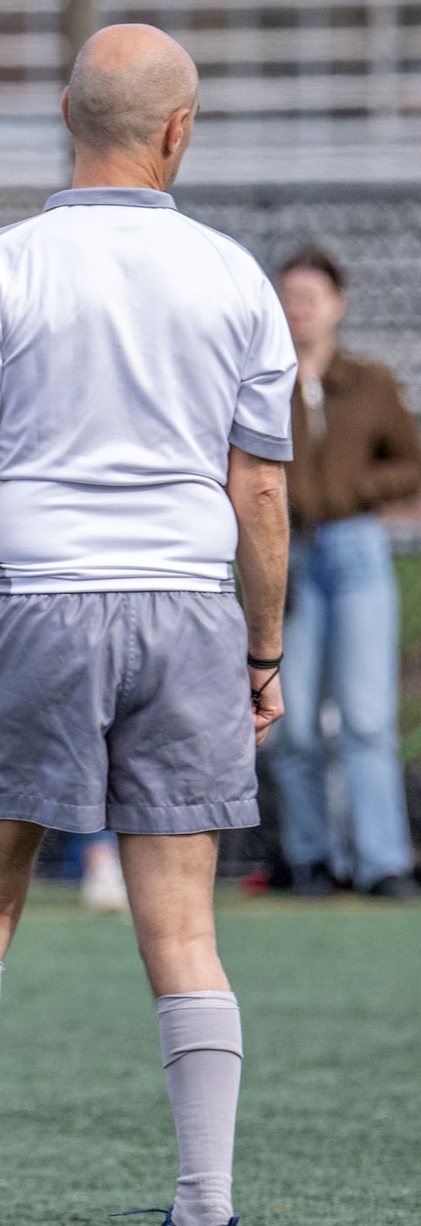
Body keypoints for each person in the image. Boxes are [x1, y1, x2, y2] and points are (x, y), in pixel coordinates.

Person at [0, 25, 291, 1226]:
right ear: (179, 130)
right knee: (179, 921)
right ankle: (203, 1223)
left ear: (62, 112)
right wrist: (261, 651)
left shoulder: (3, 265)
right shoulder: (232, 275)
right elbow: (257, 488)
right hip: (187, 611)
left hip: (32, 602)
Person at [264, 245, 421, 898]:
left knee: (366, 717)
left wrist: (358, 486)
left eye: (310, 297)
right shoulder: (260, 378)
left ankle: (383, 859)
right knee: (294, 719)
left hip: (356, 551)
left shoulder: (370, 380)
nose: (299, 309)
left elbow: (411, 461)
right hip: (289, 554)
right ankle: (310, 856)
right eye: (289, 296)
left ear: (337, 305)